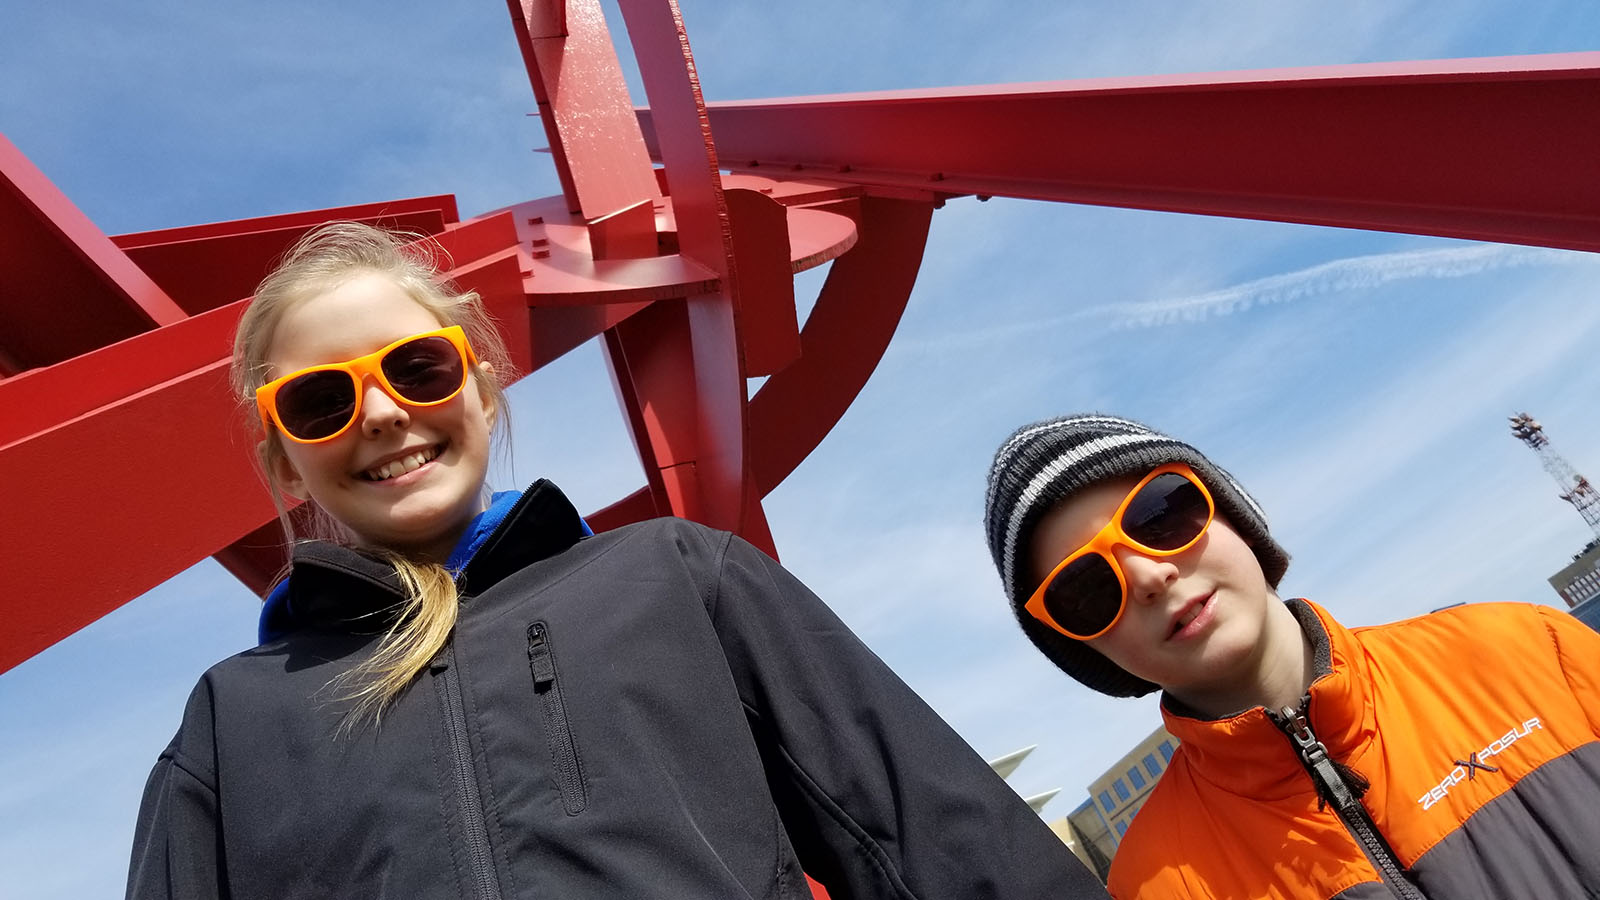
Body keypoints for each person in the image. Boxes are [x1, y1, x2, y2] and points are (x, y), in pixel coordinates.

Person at [126, 222, 1107, 900]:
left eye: (415, 368)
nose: (380, 413)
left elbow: (941, 843)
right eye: (319, 402)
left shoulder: (682, 578)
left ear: (479, 376)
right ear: (280, 452)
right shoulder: (230, 729)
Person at [983, 413, 1600, 899]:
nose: (1148, 575)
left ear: (1235, 515)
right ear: (1085, 650)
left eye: (1160, 515)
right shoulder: (1154, 883)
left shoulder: (1529, 648)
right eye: (1086, 590)